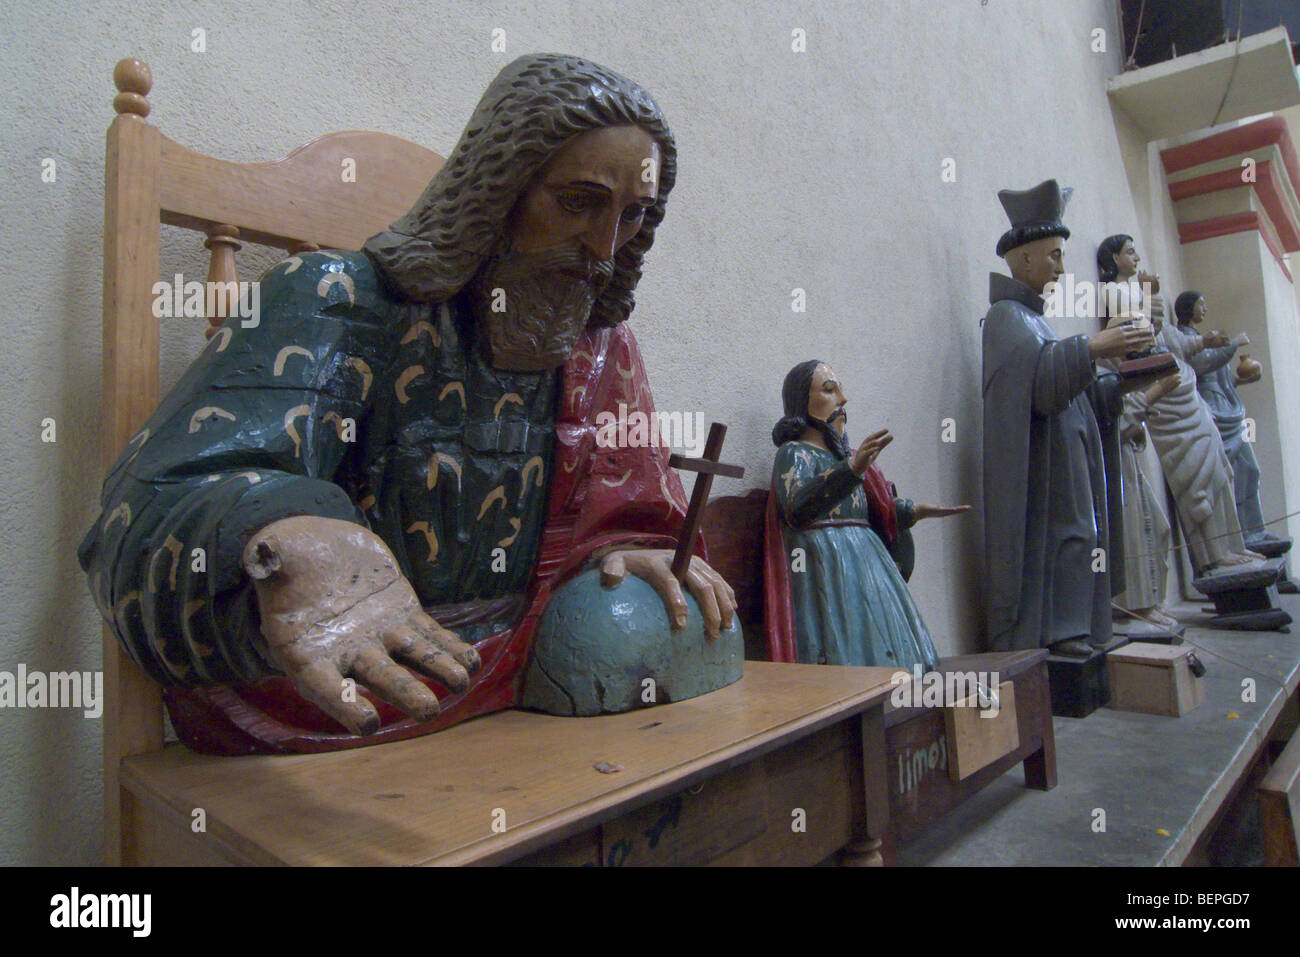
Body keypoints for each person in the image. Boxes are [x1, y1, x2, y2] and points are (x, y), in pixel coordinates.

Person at [79, 54, 737, 754]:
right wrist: (291, 538)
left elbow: (622, 506)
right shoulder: (337, 297)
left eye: (633, 215)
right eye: (578, 201)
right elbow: (141, 515)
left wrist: (626, 546)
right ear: (497, 186)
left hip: (525, 674)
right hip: (331, 701)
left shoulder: (601, 349)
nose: (604, 249)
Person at [982, 180, 1157, 658]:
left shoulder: (1035, 320)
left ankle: (1074, 626)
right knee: (1067, 536)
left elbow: (1064, 386)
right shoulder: (1005, 318)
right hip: (1044, 468)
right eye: (1054, 255)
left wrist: (1115, 384)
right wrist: (1094, 346)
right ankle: (1057, 633)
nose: (1061, 266)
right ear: (1022, 259)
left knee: (1084, 531)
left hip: (1067, 454)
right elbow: (1036, 387)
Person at [763, 360, 968, 670]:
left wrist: (911, 511)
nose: (842, 400)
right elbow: (796, 508)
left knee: (893, 648)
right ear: (801, 403)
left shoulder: (845, 460)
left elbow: (865, 509)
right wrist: (852, 469)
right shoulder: (795, 453)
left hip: (868, 569)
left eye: (840, 390)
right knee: (848, 647)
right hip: (829, 570)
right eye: (829, 390)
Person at [1096, 234, 1183, 634]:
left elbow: (1151, 333)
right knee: (1131, 522)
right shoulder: (1115, 294)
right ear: (1113, 257)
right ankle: (1132, 607)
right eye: (1130, 250)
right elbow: (1145, 333)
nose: (1136, 256)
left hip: (1127, 432)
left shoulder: (1128, 295)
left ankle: (1148, 602)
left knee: (1154, 525)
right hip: (1119, 433)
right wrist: (1154, 390)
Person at [1181, 291, 1285, 552]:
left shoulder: (1205, 339)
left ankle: (1255, 530)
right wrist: (1234, 345)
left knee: (1250, 469)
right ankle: (1239, 536)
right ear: (1187, 308)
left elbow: (1221, 377)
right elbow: (1204, 365)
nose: (1204, 308)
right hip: (1212, 411)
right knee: (1229, 474)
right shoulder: (1188, 339)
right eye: (1200, 304)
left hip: (1226, 408)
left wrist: (1240, 381)